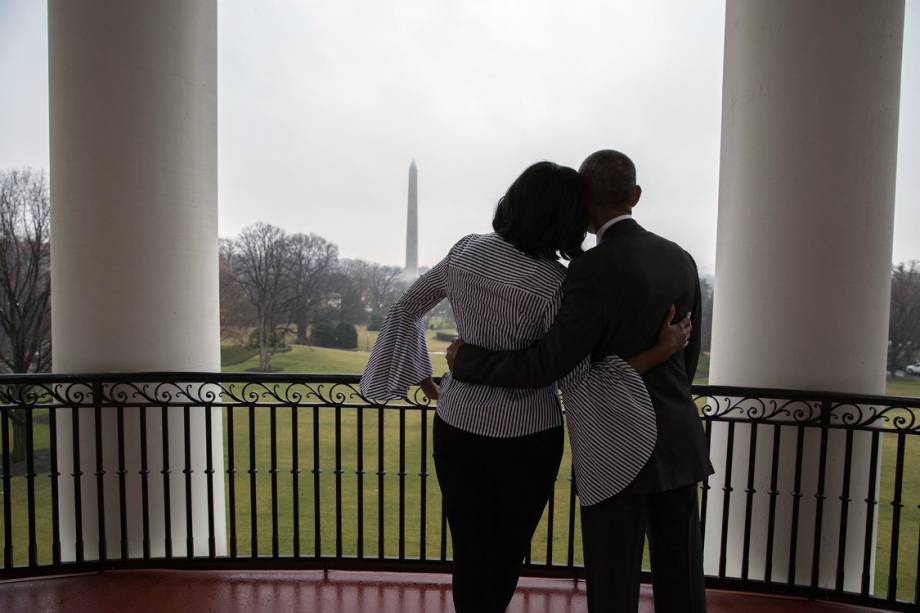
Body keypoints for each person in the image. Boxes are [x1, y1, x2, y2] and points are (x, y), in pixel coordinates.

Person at [360, 161, 690, 613]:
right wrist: (661, 350)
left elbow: (403, 309)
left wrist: (422, 373)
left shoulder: (466, 250)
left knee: (471, 549)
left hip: (456, 425)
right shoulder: (557, 283)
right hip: (527, 437)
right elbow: (578, 376)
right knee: (506, 551)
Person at [447, 150, 713, 613]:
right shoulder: (681, 259)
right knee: (683, 578)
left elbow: (545, 364)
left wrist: (465, 360)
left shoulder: (589, 270)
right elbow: (687, 360)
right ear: (635, 196)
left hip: (613, 446)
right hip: (677, 438)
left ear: (584, 202)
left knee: (614, 580)